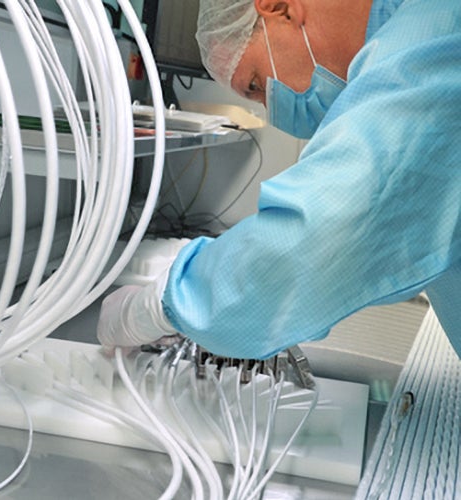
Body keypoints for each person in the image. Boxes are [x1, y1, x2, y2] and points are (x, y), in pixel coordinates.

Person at [97, 0, 461, 360]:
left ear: (278, 8)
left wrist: (161, 305)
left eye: (254, 85)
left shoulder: (430, 38)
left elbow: (323, 231)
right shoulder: (415, 27)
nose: (271, 109)